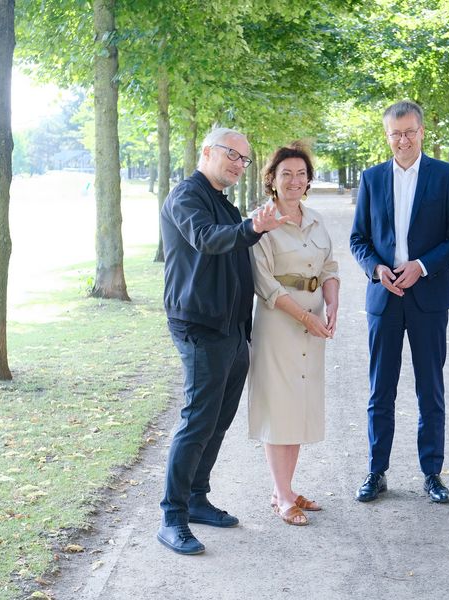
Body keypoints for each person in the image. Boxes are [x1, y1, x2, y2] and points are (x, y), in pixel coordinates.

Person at [157, 127, 289, 555]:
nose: (238, 164)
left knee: (217, 420)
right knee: (198, 420)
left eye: (244, 160)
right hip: (200, 326)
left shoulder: (223, 203)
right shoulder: (186, 196)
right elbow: (207, 240)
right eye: (232, 155)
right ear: (208, 151)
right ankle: (171, 517)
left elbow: (240, 248)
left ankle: (197, 498)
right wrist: (253, 225)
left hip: (232, 327)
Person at [350, 100, 449, 504]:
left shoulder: (446, 176)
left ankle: (432, 473)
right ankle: (376, 471)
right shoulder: (371, 178)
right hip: (384, 297)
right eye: (395, 134)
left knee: (430, 390)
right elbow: (358, 240)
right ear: (387, 136)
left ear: (422, 131)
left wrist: (422, 265)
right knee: (379, 391)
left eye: (409, 132)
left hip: (429, 298)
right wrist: (375, 269)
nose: (402, 140)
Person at [248, 142, 340, 526]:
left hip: (313, 323)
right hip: (280, 324)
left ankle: (284, 487)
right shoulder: (261, 223)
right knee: (279, 407)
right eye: (286, 173)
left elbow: (330, 266)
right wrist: (304, 316)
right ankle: (282, 495)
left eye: (301, 174)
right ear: (272, 179)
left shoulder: (316, 220)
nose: (294, 180)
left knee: (299, 406)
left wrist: (332, 304)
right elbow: (265, 283)